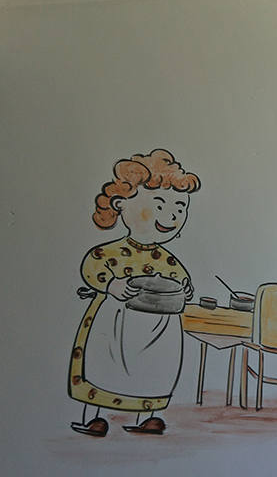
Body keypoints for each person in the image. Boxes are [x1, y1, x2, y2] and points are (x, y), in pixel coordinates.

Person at [68, 149, 200, 437]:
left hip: (159, 329)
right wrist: (111, 285)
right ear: (121, 204)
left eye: (180, 207)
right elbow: (92, 267)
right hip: (115, 324)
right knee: (103, 365)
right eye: (159, 205)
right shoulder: (108, 252)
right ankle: (96, 417)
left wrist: (185, 288)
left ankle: (149, 417)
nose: (171, 215)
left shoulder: (167, 259)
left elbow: (179, 278)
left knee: (152, 370)